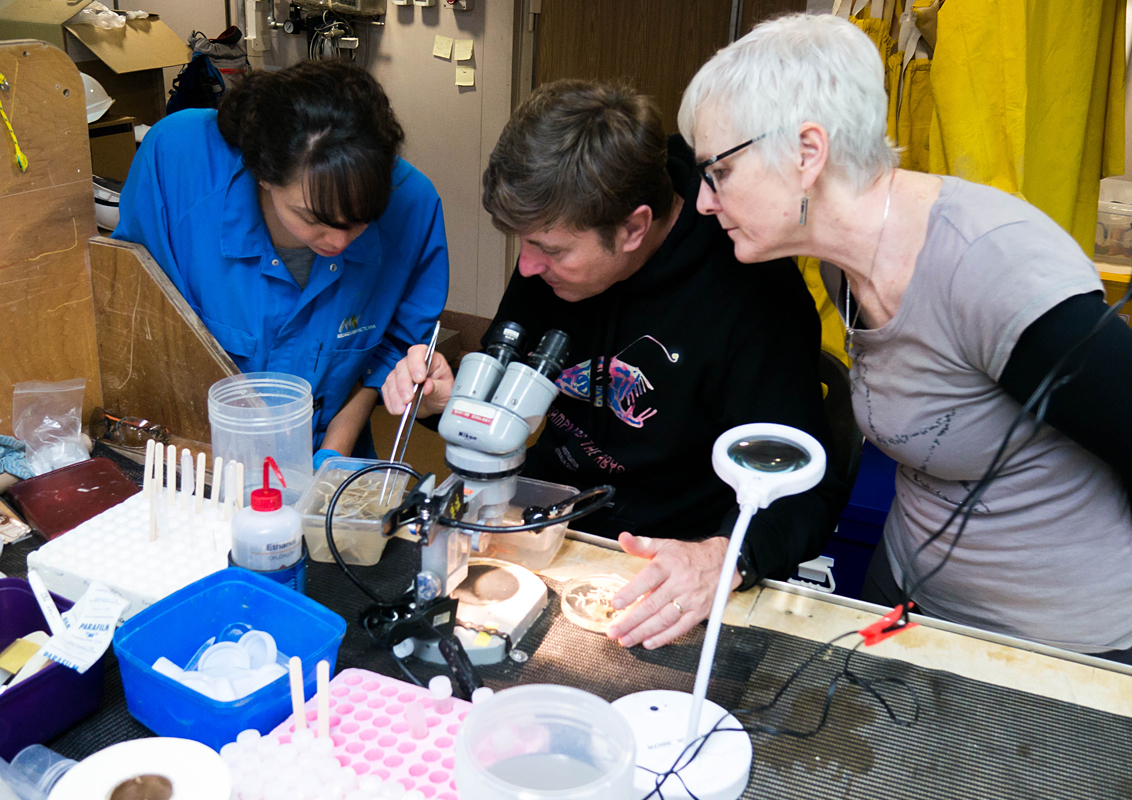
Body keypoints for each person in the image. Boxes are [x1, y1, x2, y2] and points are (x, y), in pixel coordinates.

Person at [675, 13, 1132, 669]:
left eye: (716, 171)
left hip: (1062, 636)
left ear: (808, 154)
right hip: (914, 594)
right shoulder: (842, 264)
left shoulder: (989, 264)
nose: (702, 201)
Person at [384, 80, 849, 649]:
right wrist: (444, 404)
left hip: (662, 571)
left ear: (633, 227)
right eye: (522, 244)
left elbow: (807, 492)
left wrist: (725, 560)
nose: (526, 268)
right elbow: (509, 404)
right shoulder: (555, 247)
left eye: (549, 250)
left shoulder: (750, 297)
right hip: (540, 537)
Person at [114, 60, 449, 462]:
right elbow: (134, 311)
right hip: (188, 454)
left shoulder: (412, 205)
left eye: (362, 221)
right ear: (263, 173)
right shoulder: (179, 163)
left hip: (322, 451)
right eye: (312, 218)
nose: (339, 241)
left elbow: (386, 359)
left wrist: (326, 466)